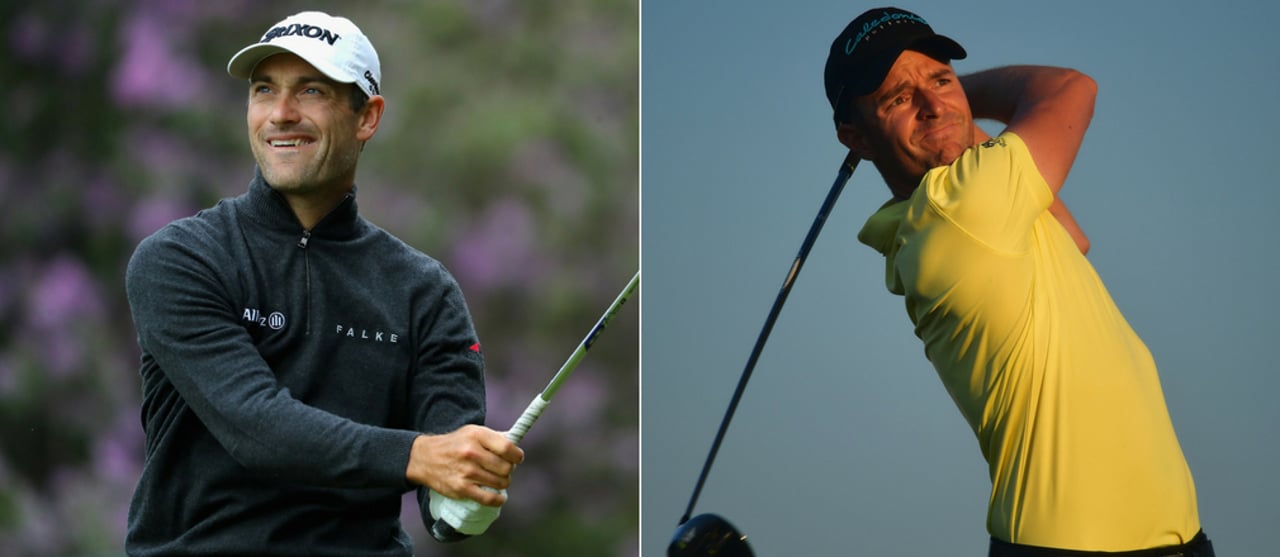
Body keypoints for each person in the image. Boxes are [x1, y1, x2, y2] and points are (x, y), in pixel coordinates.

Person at [124, 11, 523, 556]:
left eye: (311, 91)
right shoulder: (180, 259)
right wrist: (418, 456)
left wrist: (473, 489)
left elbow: (446, 508)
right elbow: (258, 427)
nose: (281, 114)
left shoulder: (424, 293)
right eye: (265, 91)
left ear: (368, 116)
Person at [823, 7, 1213, 556]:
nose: (934, 104)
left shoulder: (964, 209)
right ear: (856, 137)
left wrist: (949, 115)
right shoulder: (960, 209)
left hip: (1160, 539)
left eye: (941, 79)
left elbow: (1071, 237)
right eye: (899, 99)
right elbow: (1071, 89)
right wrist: (964, 98)